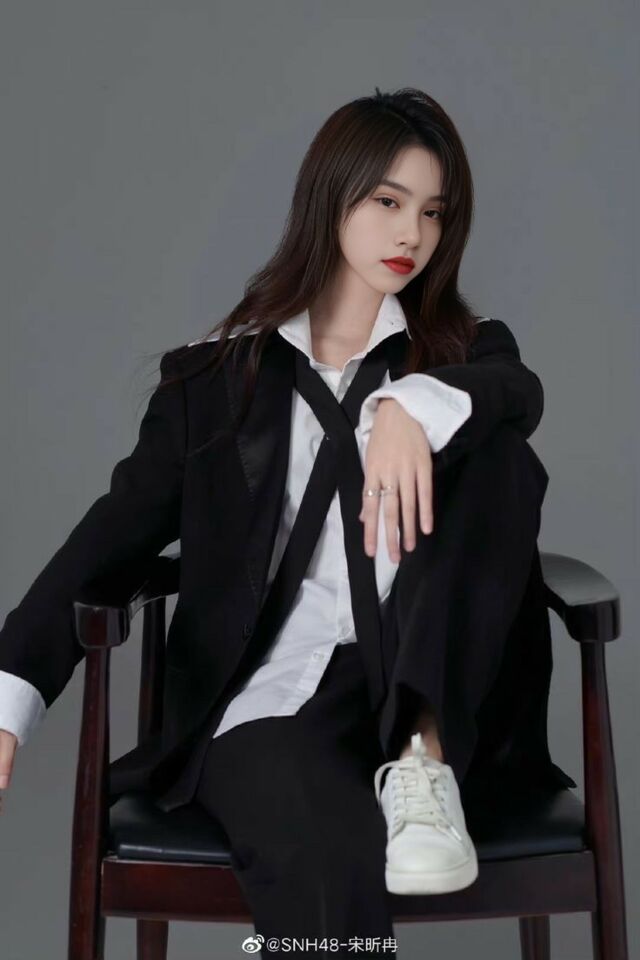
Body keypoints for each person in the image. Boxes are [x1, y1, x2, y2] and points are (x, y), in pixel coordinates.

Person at [0, 86, 575, 956]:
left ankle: (423, 756)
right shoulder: (212, 382)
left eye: (432, 212)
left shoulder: (466, 351)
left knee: (495, 450)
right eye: (387, 202)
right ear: (330, 198)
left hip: (433, 678)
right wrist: (11, 695)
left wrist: (411, 406)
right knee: (318, 846)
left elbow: (515, 393)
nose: (412, 235)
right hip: (276, 692)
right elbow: (111, 536)